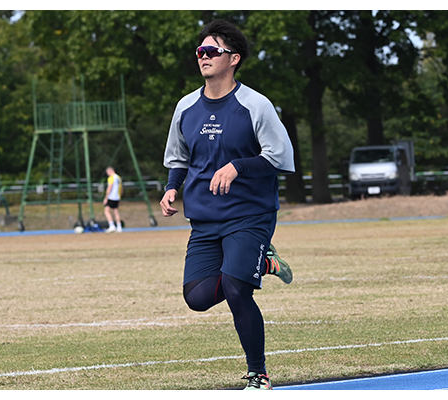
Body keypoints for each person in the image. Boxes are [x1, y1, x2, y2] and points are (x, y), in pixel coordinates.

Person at [159, 19, 295, 390]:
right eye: (200, 51)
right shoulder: (186, 107)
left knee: (237, 288)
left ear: (233, 59)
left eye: (212, 51)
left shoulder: (255, 105)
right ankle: (266, 262)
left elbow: (279, 157)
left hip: (250, 215)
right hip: (205, 219)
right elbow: (178, 157)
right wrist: (173, 188)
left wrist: (237, 166)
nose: (203, 57)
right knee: (197, 298)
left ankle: (258, 375)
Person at [103, 166, 123, 233]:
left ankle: (111, 226)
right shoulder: (118, 177)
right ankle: (119, 227)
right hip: (117, 197)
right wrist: (120, 196)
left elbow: (110, 187)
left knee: (106, 211)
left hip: (111, 197)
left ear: (109, 171)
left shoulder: (111, 178)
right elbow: (121, 188)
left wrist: (106, 197)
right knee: (116, 212)